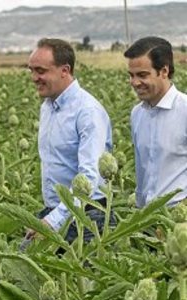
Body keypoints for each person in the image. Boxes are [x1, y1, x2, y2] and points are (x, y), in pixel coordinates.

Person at [23, 38, 113, 246]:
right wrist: (51, 215)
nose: (34, 78)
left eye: (41, 71)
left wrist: (53, 222)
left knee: (83, 276)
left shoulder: (87, 112)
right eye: (31, 71)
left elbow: (90, 178)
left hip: (87, 217)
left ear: (64, 70)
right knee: (18, 271)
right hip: (55, 210)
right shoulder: (48, 106)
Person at [124, 36, 187, 208]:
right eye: (131, 75)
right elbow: (141, 172)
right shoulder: (137, 114)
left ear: (164, 71)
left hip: (179, 219)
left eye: (142, 75)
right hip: (147, 219)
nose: (135, 82)